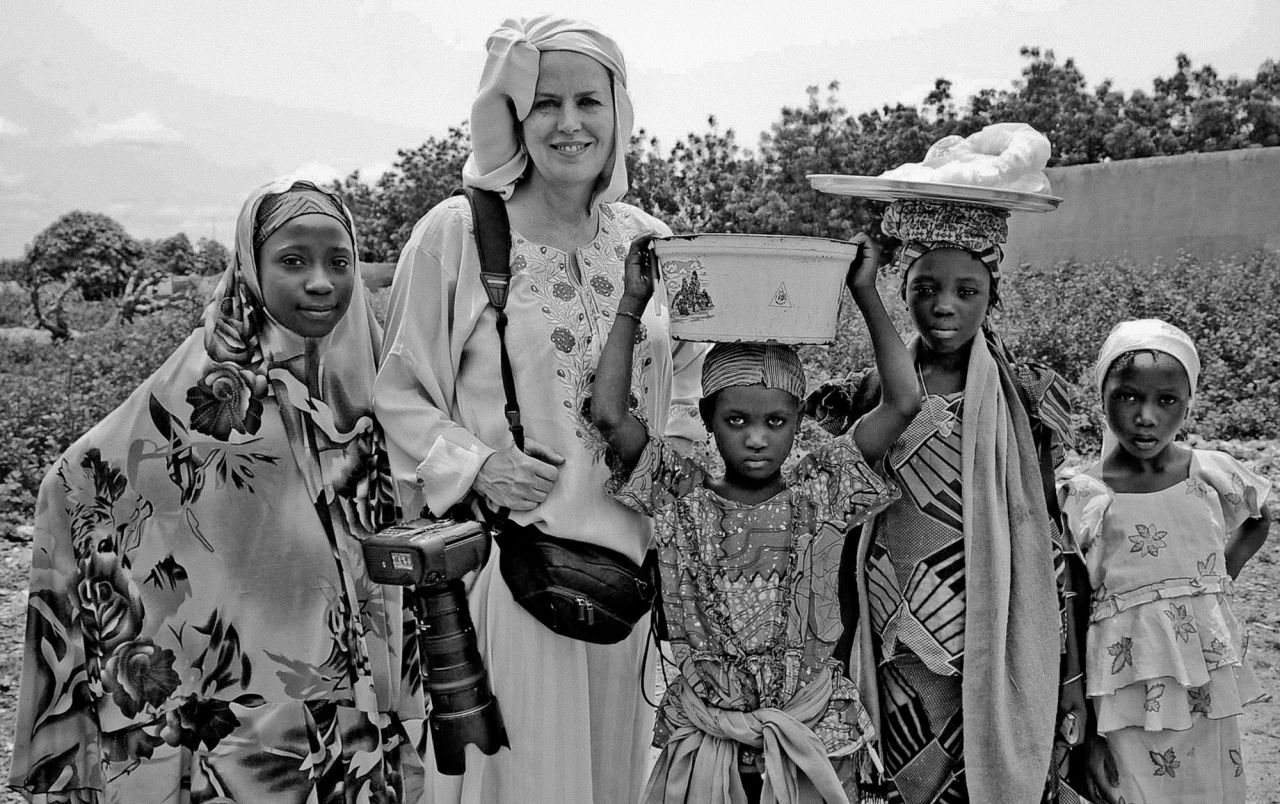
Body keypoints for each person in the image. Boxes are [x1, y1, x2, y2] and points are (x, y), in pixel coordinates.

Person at [372, 15, 707, 804]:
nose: (569, 123)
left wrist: (674, 461)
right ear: (515, 117)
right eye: (545, 102)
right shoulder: (456, 233)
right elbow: (401, 391)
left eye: (589, 101)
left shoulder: (651, 242)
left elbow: (692, 377)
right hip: (516, 571)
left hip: (635, 578)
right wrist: (479, 464)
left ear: (620, 114)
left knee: (622, 775)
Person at [8, 179, 426, 802]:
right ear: (249, 270)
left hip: (352, 713)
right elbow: (81, 478)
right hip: (236, 726)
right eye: (292, 260)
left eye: (339, 261)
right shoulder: (200, 398)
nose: (321, 281)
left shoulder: (377, 398)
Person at [591, 233, 919, 803]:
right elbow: (610, 413)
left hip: (812, 729)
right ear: (707, 419)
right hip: (707, 733)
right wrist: (632, 301)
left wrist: (865, 292)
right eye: (737, 419)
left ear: (798, 421)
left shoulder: (821, 488)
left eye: (776, 422)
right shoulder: (679, 490)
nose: (756, 438)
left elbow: (903, 403)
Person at [807, 196, 1086, 801]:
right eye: (925, 286)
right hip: (890, 629)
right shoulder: (869, 392)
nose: (945, 305)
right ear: (902, 287)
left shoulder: (1027, 397)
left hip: (988, 621)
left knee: (983, 768)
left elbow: (1048, 535)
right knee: (904, 771)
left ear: (994, 295)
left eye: (968, 290)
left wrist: (1068, 669)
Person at [1058, 319, 1270, 804]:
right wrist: (1074, 689)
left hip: (1206, 671)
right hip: (1123, 673)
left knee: (1211, 784)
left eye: (1167, 400)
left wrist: (1215, 580)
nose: (1146, 417)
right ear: (1103, 397)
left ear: (1188, 402)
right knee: (1129, 787)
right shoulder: (1085, 493)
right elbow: (1071, 593)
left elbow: (1259, 517)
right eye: (1128, 397)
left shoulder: (1209, 472)